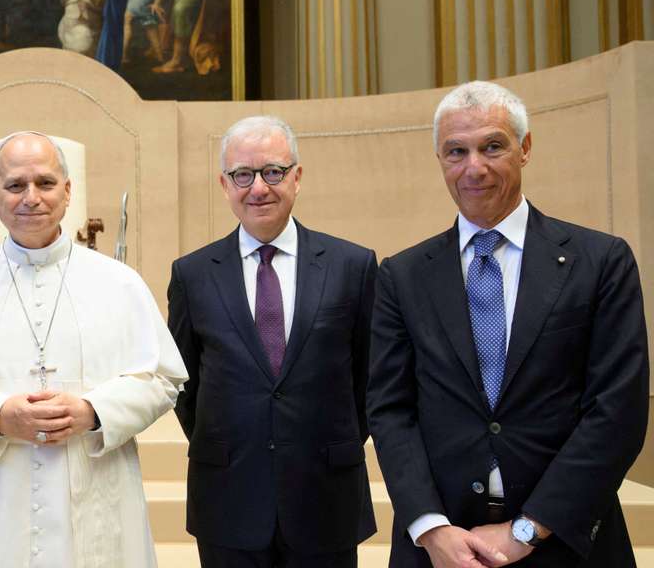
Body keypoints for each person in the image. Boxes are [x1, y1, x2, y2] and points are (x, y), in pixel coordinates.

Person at [368, 81, 649, 567]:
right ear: (440, 159)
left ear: (525, 149)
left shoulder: (601, 261)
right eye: (456, 151)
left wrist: (527, 530)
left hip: (567, 541)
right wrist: (431, 529)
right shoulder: (402, 275)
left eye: (491, 146)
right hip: (442, 549)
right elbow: (391, 411)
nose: (473, 167)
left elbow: (616, 411)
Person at [0, 131, 188, 567]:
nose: (31, 197)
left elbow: (164, 380)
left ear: (68, 191)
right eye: (15, 186)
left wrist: (93, 410)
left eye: (45, 183)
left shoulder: (120, 283)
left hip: (95, 481)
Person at [168, 116, 377, 567]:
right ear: (224, 184)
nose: (258, 187)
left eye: (273, 172)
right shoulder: (192, 275)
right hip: (228, 494)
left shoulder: (353, 266)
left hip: (325, 495)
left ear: (297, 177)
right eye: (243, 175)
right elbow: (185, 384)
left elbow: (368, 376)